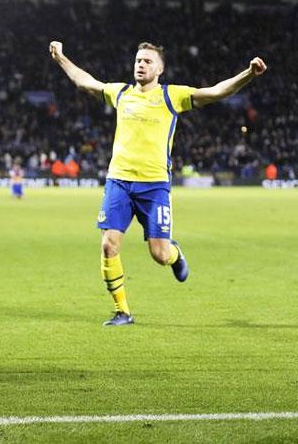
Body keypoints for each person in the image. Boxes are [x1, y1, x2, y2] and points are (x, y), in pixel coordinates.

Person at [49, 40, 267, 326]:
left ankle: (175, 255)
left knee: (159, 254)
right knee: (108, 245)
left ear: (160, 69)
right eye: (138, 60)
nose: (141, 65)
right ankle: (122, 312)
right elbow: (85, 82)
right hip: (119, 182)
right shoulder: (121, 93)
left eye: (148, 61)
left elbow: (215, 92)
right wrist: (61, 58)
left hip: (154, 187)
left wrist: (248, 74)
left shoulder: (172, 96)